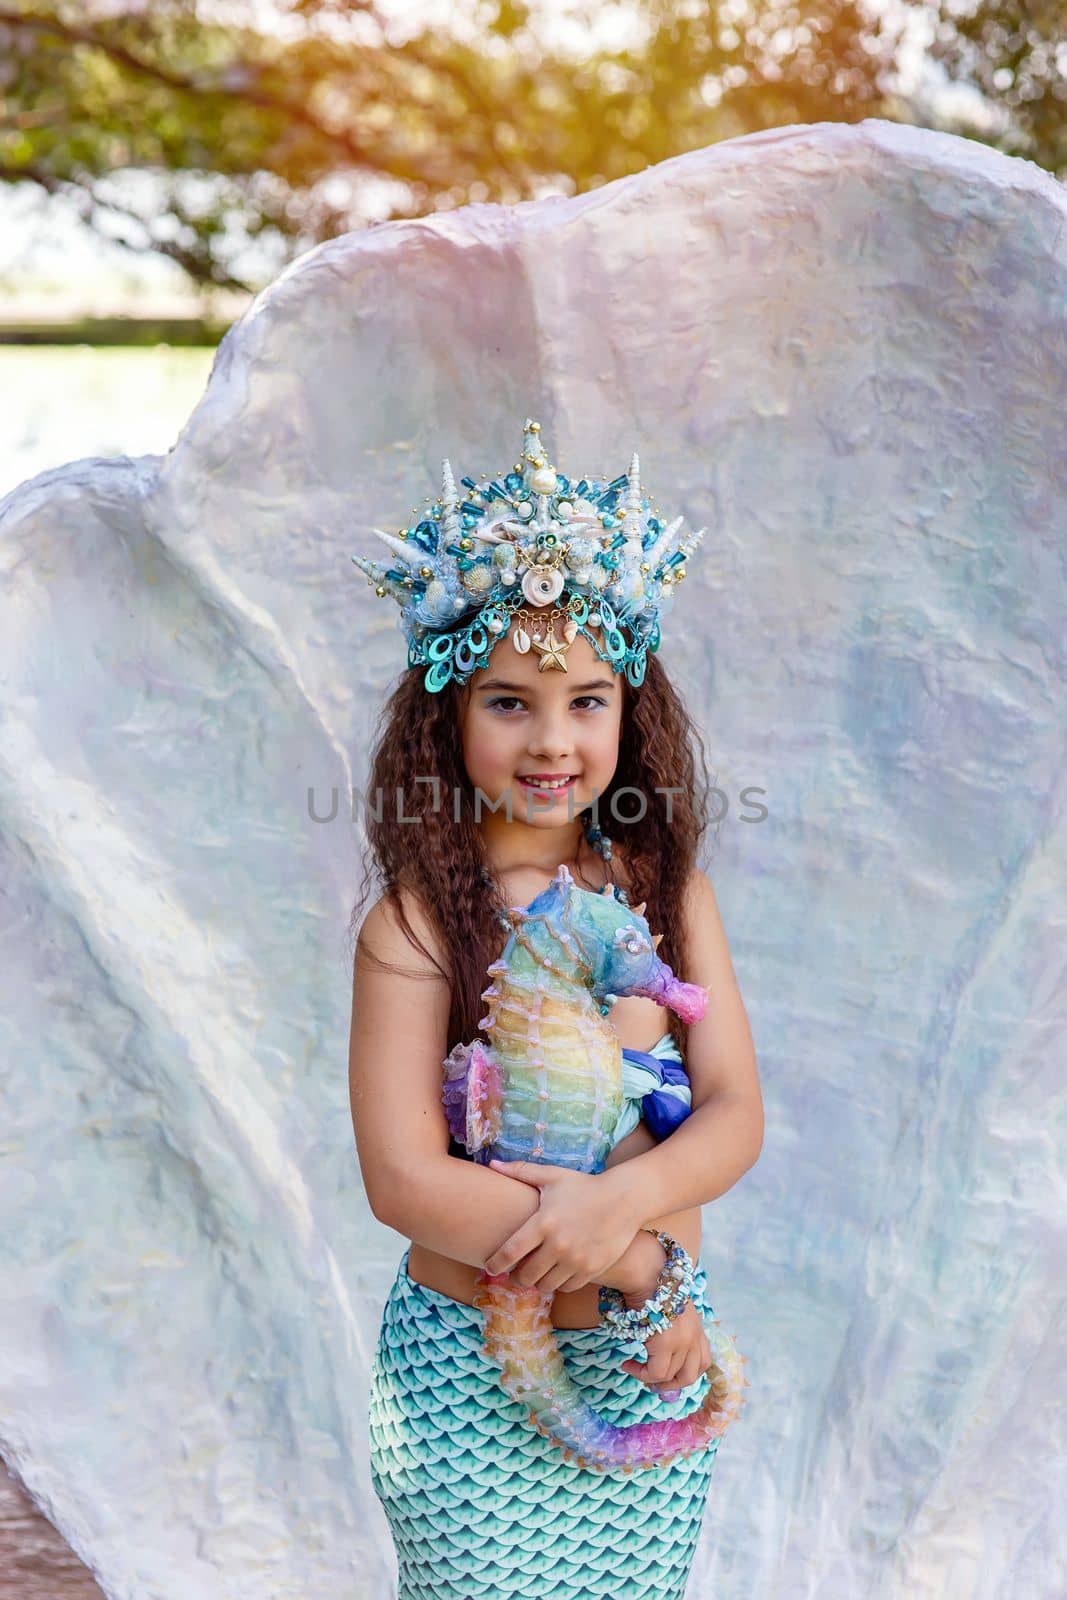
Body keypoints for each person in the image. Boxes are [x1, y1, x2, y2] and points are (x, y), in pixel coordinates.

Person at [348, 418, 763, 1599]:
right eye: (508, 702)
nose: (551, 739)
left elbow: (732, 1112)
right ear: (447, 713)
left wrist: (633, 1223)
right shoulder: (418, 926)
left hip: (650, 1352)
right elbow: (402, 1177)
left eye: (586, 700)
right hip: (472, 1380)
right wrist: (620, 1252)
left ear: (629, 709)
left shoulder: (666, 896)